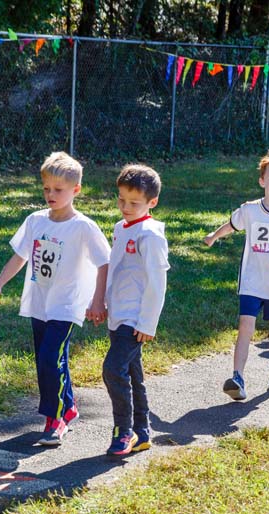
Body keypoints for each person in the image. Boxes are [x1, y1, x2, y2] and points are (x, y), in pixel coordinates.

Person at [0, 152, 110, 447]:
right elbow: (20, 255)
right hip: (39, 302)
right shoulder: (35, 221)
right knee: (52, 358)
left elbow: (104, 263)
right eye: (46, 189)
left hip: (67, 305)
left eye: (58, 190)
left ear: (76, 190)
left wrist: (97, 301)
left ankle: (55, 420)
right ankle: (68, 406)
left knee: (48, 359)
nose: (50, 195)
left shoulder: (83, 227)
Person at [203, 147, 269, 400]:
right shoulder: (249, 210)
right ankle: (237, 377)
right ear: (262, 181)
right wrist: (214, 235)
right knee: (245, 325)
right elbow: (232, 225)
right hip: (251, 280)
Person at [101, 164, 169, 456]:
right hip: (118, 316)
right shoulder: (120, 228)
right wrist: (104, 304)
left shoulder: (151, 235)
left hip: (135, 319)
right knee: (132, 375)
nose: (125, 207)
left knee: (112, 370)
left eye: (134, 203)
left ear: (152, 203)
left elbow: (157, 282)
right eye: (121, 200)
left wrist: (147, 322)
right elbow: (117, 271)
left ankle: (123, 431)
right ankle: (142, 432)